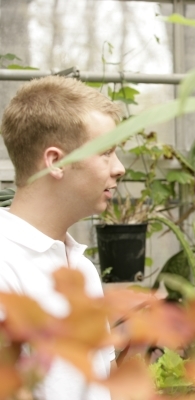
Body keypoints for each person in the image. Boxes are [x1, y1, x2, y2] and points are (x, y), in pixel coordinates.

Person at [0, 75, 125, 399]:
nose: (120, 168)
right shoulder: (4, 266)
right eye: (106, 152)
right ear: (56, 162)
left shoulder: (80, 268)